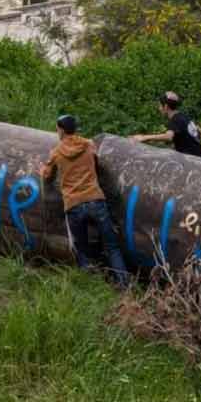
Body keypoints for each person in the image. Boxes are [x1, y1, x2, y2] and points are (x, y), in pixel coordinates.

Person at [42, 115, 130, 288]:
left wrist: (42, 169)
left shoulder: (56, 153)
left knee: (81, 249)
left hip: (74, 205)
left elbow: (46, 176)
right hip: (95, 199)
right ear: (75, 129)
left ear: (60, 130)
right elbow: (97, 162)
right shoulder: (89, 145)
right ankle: (124, 284)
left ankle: (90, 283)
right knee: (112, 247)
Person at [130, 91, 201, 158]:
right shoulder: (183, 116)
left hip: (193, 160)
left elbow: (168, 137)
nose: (159, 108)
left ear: (166, 107)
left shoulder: (175, 120)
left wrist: (145, 137)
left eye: (160, 105)